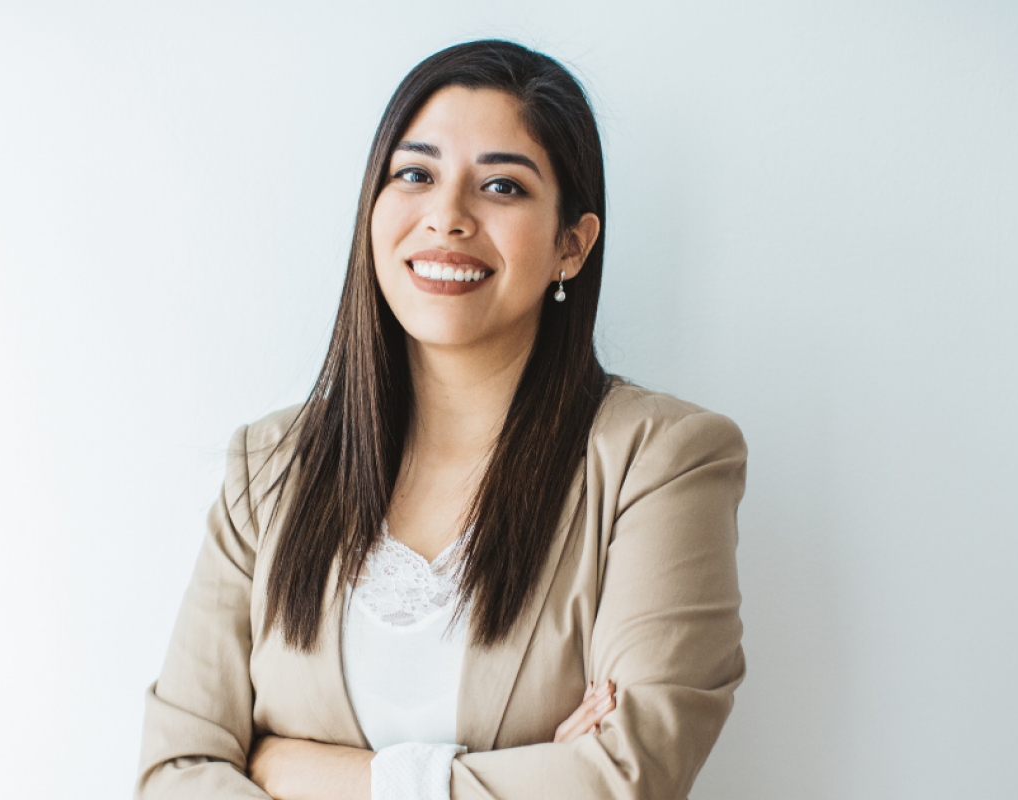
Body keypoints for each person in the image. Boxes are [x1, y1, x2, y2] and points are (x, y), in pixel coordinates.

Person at [135, 40, 747, 800]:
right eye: (415, 175)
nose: (447, 217)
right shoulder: (269, 466)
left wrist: (291, 768)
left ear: (571, 245)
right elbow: (173, 773)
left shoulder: (660, 462)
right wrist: (520, 775)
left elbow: (627, 778)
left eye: (501, 186)